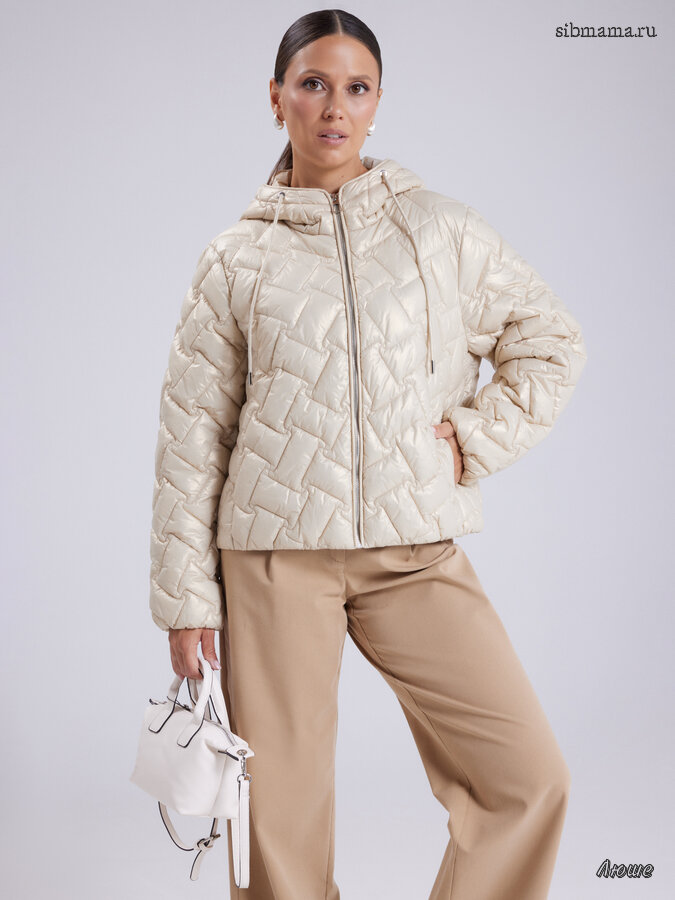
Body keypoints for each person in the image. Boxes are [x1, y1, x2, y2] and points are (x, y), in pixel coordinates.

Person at [148, 9, 587, 899]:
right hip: (274, 562)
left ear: (378, 103)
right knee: (277, 828)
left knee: (526, 779)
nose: (334, 107)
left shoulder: (441, 231)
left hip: (412, 550)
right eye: (312, 84)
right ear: (276, 98)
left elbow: (550, 342)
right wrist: (185, 599)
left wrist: (471, 438)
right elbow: (192, 434)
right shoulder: (234, 259)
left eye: (356, 87)